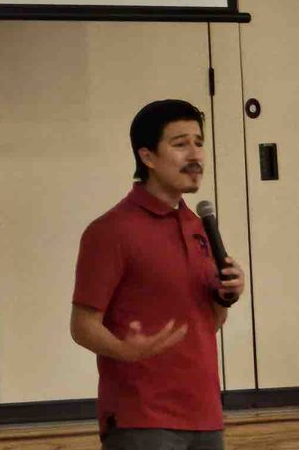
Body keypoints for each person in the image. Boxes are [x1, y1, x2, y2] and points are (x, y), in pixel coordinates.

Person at [71, 99, 246, 449]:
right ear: (148, 157)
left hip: (206, 413)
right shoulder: (111, 231)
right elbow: (82, 325)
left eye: (199, 142)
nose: (195, 155)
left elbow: (207, 323)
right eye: (180, 144)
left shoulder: (200, 227)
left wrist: (227, 294)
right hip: (142, 417)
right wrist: (124, 350)